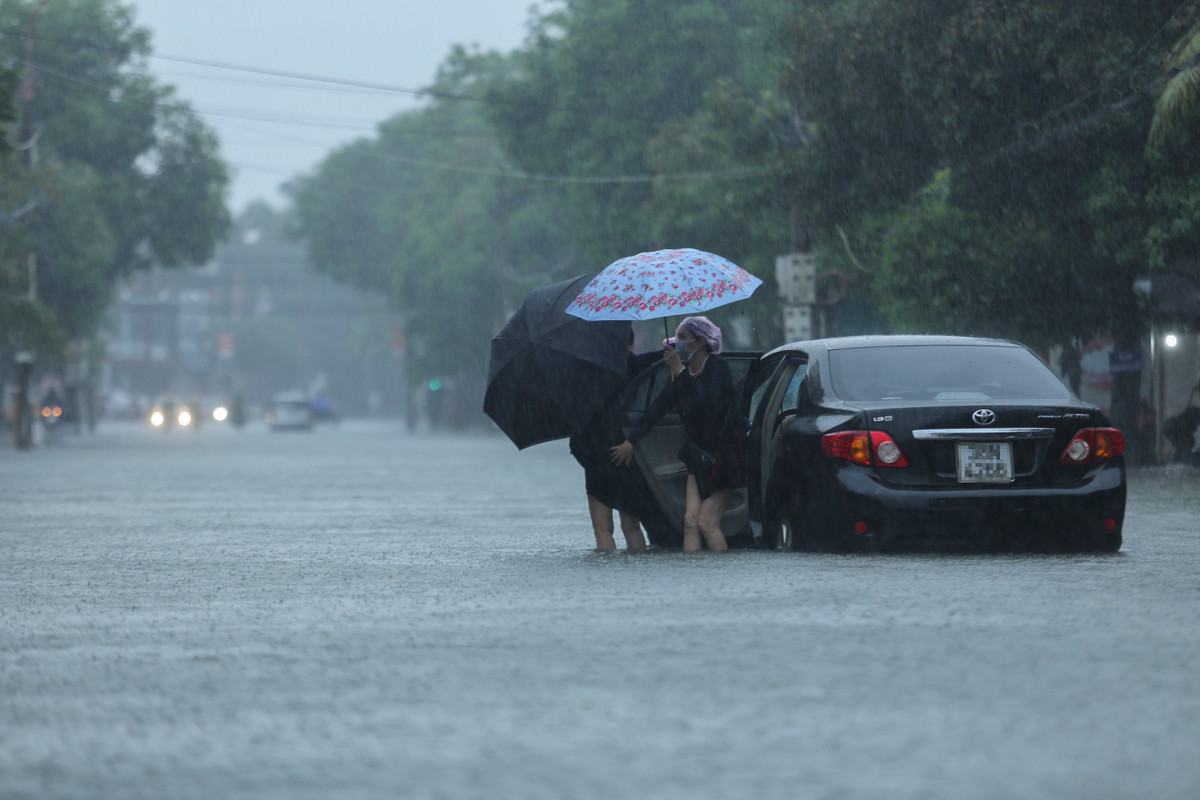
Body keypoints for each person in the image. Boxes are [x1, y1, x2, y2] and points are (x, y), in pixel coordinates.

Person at [611, 316, 745, 553]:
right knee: (690, 521)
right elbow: (656, 409)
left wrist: (679, 370)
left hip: (725, 457)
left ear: (700, 341)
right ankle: (692, 581)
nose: (677, 343)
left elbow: (709, 404)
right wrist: (631, 441)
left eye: (683, 338)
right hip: (698, 455)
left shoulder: (717, 367)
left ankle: (724, 582)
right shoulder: (684, 375)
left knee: (707, 522)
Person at [569, 331, 660, 551]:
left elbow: (575, 413)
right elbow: (673, 353)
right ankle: (636, 576)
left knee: (602, 529)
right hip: (624, 450)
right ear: (631, 343)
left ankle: (606, 582)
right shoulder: (636, 365)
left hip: (595, 453)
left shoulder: (585, 370)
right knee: (632, 527)